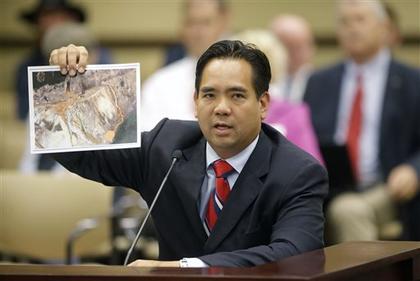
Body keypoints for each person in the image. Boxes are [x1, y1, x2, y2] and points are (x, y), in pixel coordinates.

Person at [49, 40, 328, 267]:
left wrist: (184, 267)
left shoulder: (297, 172)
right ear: (195, 102)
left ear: (263, 104)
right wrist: (63, 84)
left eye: (237, 96)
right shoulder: (166, 146)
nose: (221, 108)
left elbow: (295, 254)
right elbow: (83, 155)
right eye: (209, 95)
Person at [304, 0, 420, 243]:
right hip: (329, 187)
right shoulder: (319, 82)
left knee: (349, 211)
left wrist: (413, 169)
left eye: (360, 20)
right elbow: (304, 142)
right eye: (345, 22)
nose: (352, 29)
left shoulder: (411, 81)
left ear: (384, 27)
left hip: (388, 186)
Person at [140, 0, 230, 131]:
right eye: (191, 23)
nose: (198, 32)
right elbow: (147, 133)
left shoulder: (246, 77)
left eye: (206, 23)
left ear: (223, 24)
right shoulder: (158, 83)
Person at [270, 14, 315, 102]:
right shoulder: (261, 81)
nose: (295, 54)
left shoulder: (321, 82)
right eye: (289, 47)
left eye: (299, 47)